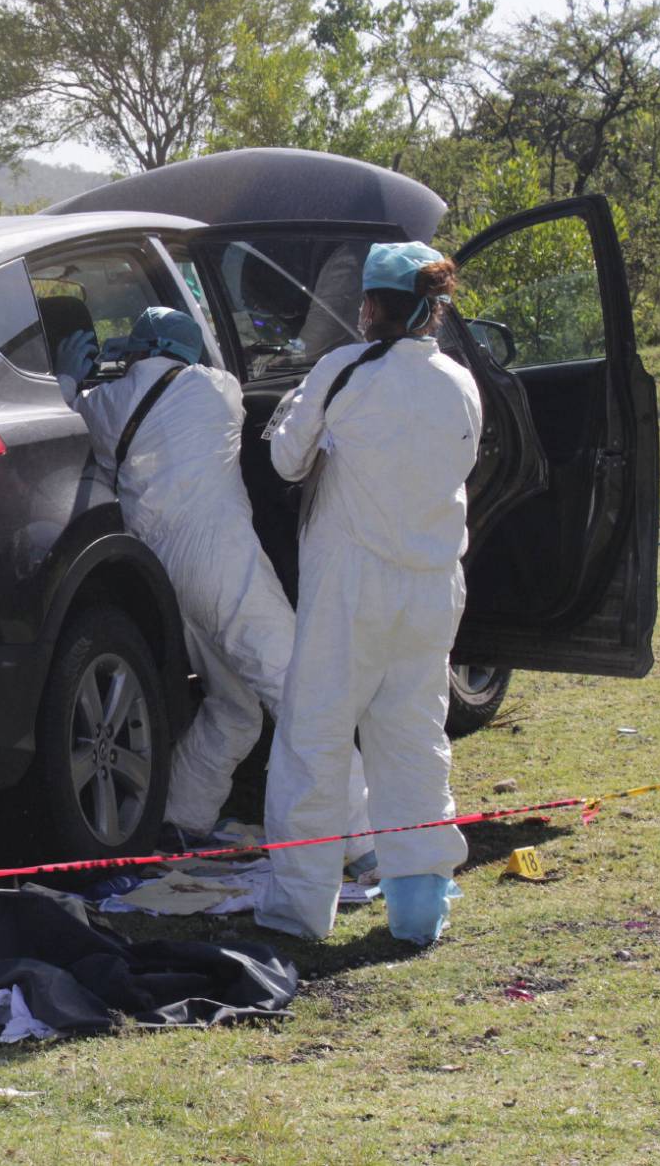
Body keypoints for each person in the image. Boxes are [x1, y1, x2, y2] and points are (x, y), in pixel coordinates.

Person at [53, 308, 372, 861]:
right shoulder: (219, 388)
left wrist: (67, 380)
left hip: (162, 578)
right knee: (301, 689)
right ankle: (363, 839)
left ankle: (181, 818)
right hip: (222, 563)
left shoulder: (100, 406)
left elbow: (73, 426)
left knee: (236, 705)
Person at [255, 241, 482, 945]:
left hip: (350, 589)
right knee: (415, 743)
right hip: (433, 589)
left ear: (371, 306)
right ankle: (418, 912)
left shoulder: (340, 369)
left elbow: (285, 459)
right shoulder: (460, 382)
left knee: (314, 743)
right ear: (434, 311)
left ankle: (299, 914)